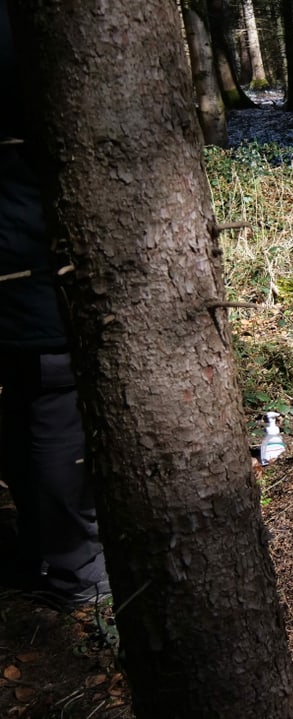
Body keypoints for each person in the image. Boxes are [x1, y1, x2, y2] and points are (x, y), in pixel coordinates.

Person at [0, 0, 110, 605]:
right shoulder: (30, 27)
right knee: (50, 401)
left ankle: (37, 550)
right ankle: (76, 572)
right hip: (29, 255)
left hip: (21, 255)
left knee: (26, 399)